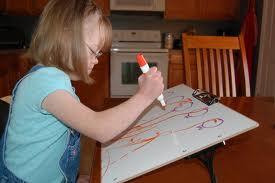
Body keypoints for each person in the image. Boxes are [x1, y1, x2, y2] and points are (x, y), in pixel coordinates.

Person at [0, 0, 164, 182]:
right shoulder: (45, 82)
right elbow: (99, 128)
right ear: (66, 35)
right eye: (94, 51)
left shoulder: (54, 78)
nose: (96, 60)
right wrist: (144, 96)